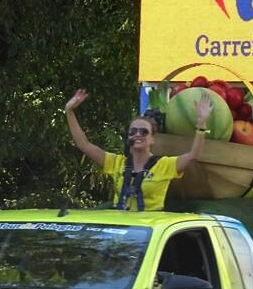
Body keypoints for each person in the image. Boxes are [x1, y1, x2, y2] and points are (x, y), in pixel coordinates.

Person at [64, 88, 213, 211]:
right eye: (133, 131)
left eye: (144, 132)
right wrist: (69, 111)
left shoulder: (164, 165)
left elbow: (193, 155)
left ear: (153, 138)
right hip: (121, 229)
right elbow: (83, 144)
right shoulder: (117, 163)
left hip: (151, 230)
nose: (137, 135)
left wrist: (201, 123)